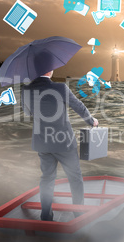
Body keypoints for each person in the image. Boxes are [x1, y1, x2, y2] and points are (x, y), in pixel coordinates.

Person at [21, 70, 98, 221]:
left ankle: (46, 215)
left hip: (42, 143)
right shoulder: (60, 88)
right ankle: (79, 214)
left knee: (47, 178)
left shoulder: (26, 90)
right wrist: (91, 120)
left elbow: (28, 112)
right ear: (50, 71)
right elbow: (78, 106)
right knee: (75, 178)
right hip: (64, 143)